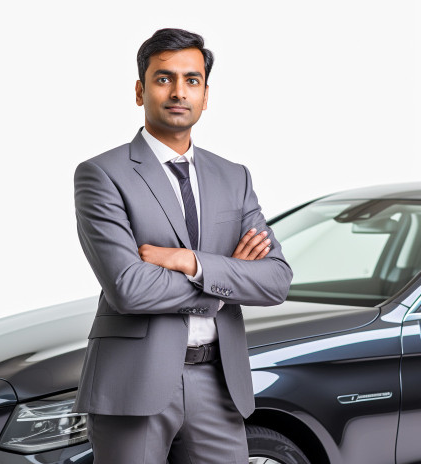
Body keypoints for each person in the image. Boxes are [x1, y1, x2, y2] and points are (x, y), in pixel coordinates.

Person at [72, 28, 292, 464]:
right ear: (140, 90)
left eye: (192, 80)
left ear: (206, 95)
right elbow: (130, 289)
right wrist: (225, 274)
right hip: (134, 383)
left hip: (219, 380)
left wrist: (189, 262)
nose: (178, 92)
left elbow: (275, 281)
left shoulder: (235, 177)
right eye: (163, 78)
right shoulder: (102, 174)